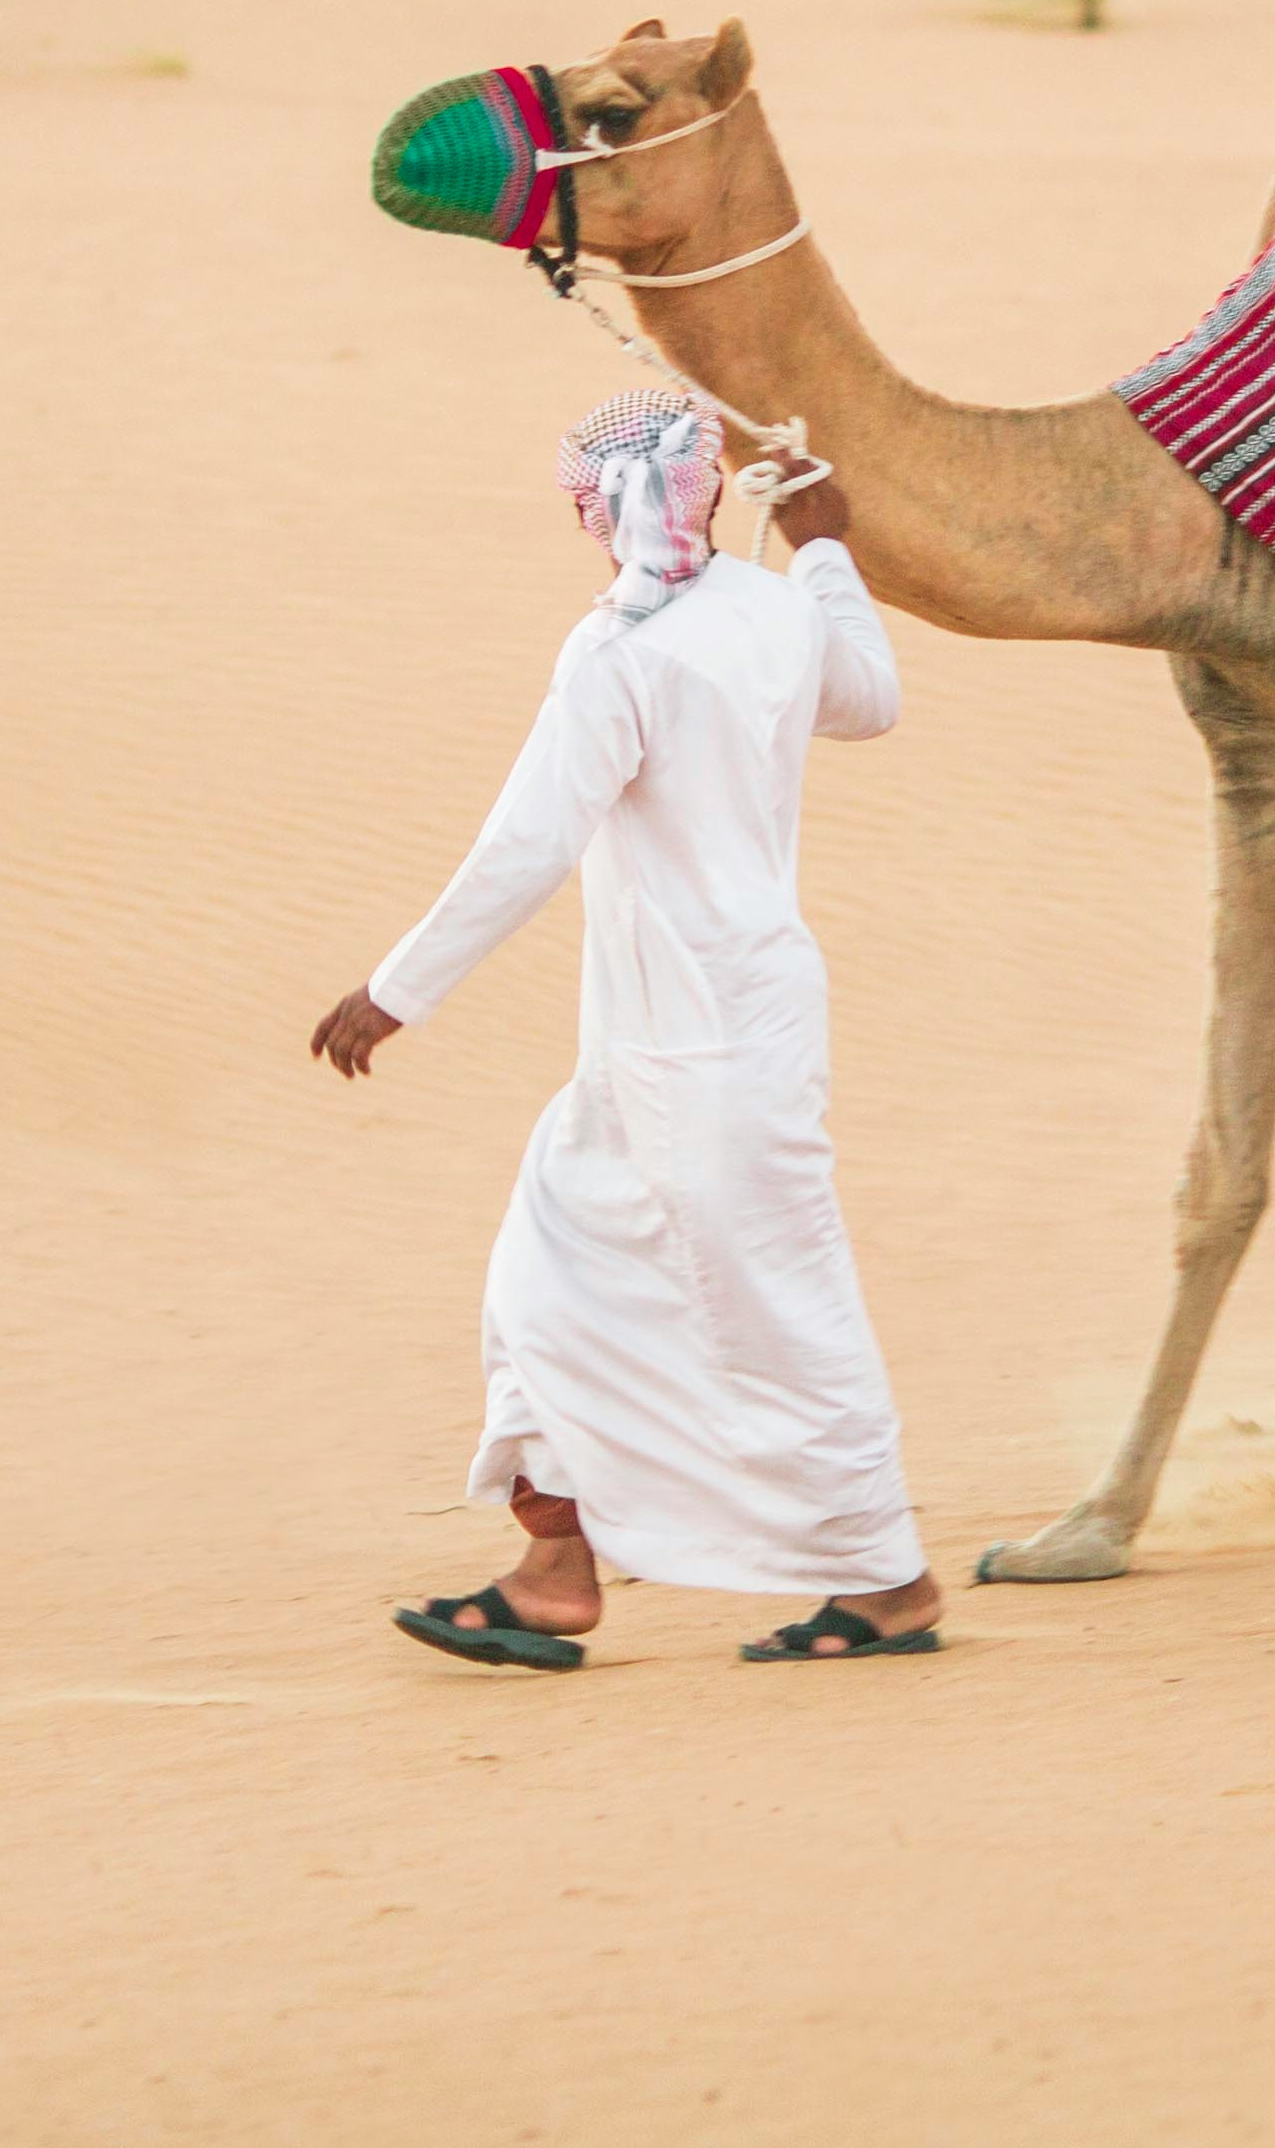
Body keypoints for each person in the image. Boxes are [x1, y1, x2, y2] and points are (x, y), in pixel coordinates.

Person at [310, 392, 945, 1668]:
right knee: (546, 1278)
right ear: (706, 492)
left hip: (695, 1045)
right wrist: (823, 548)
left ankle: (888, 1582)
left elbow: (530, 841)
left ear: (598, 516)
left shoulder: (618, 654)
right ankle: (555, 1568)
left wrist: (398, 987)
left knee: (778, 1303)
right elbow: (869, 699)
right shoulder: (765, 609)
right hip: (697, 1033)